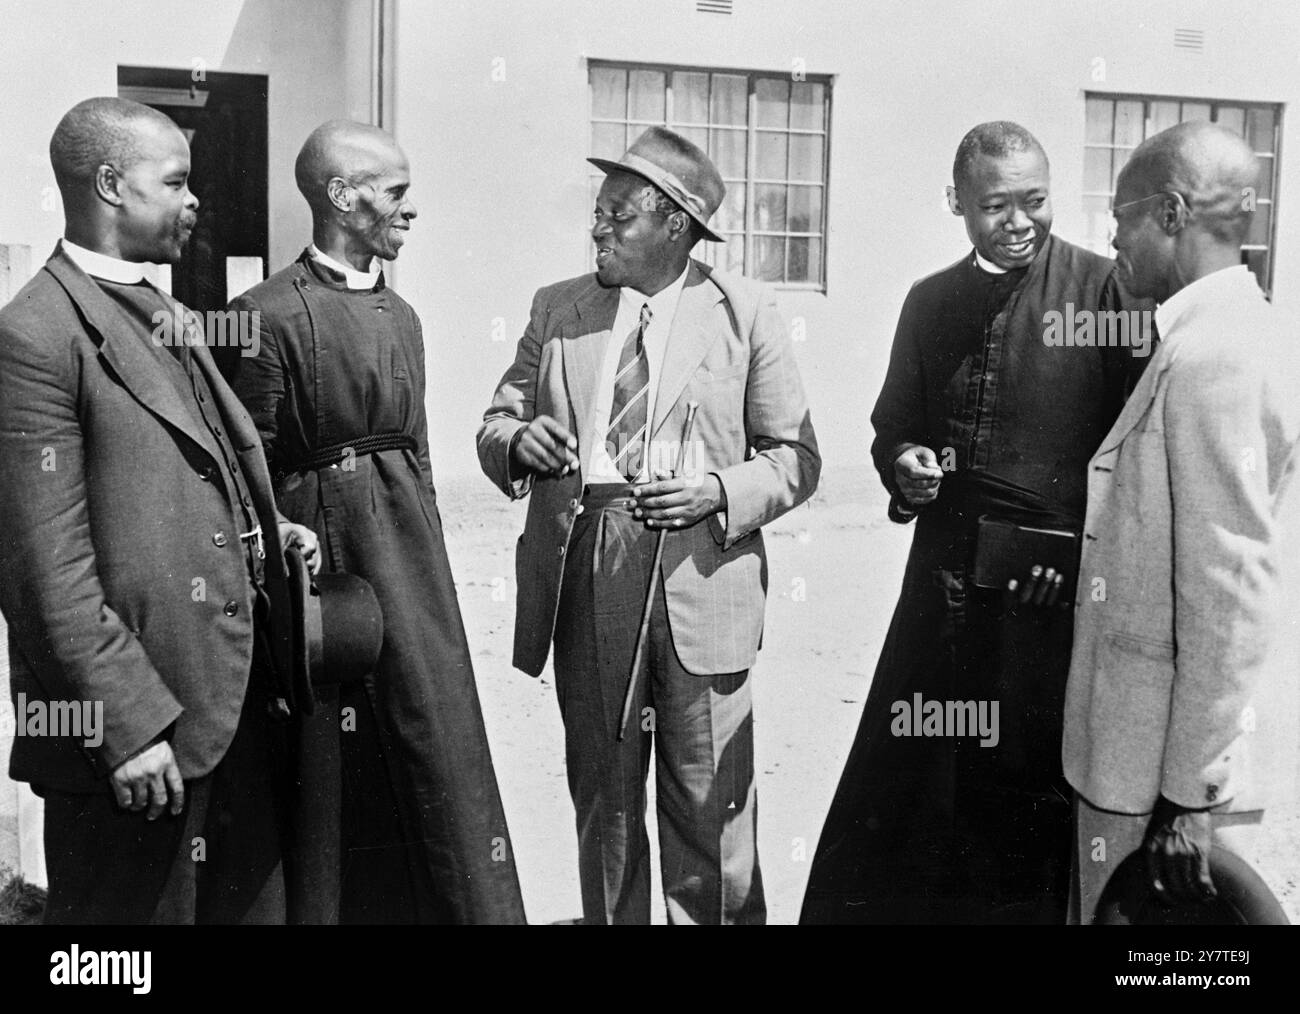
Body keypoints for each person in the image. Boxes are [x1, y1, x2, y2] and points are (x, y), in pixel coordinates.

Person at [801, 122, 1149, 924]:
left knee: (1021, 796)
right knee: (917, 782)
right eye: (997, 206)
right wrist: (906, 464)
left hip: (1045, 601)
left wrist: (1080, 559)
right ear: (957, 202)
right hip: (941, 587)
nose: (1021, 221)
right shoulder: (929, 303)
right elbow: (893, 425)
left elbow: (1135, 452)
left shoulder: (1104, 296)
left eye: (1036, 200)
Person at [477, 126, 820, 925]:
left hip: (706, 568)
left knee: (711, 799)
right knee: (606, 799)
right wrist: (517, 441)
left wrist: (718, 492)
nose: (597, 229)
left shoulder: (747, 313)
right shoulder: (558, 309)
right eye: (598, 214)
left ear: (674, 223)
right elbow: (497, 422)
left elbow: (796, 458)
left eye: (617, 216)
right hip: (591, 560)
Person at [0, 97, 319, 924]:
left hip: (229, 708)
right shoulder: (34, 335)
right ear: (110, 184)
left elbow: (187, 474)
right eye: (175, 182)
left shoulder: (165, 309)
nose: (195, 201)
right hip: (140, 744)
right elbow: (45, 574)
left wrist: (264, 532)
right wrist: (128, 729)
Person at [228, 120, 526, 924]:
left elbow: (420, 460)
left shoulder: (405, 317)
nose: (410, 209)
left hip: (411, 558)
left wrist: (423, 556)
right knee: (331, 760)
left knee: (433, 735)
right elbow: (246, 466)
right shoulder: (262, 315)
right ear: (341, 196)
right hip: (324, 564)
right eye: (394, 192)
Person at [1064, 121, 1300, 924]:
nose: (1111, 235)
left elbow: (1230, 589)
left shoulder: (1218, 355)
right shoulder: (1204, 337)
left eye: (1122, 215)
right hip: (1149, 766)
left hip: (1165, 784)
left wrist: (1193, 797)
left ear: (1169, 213)